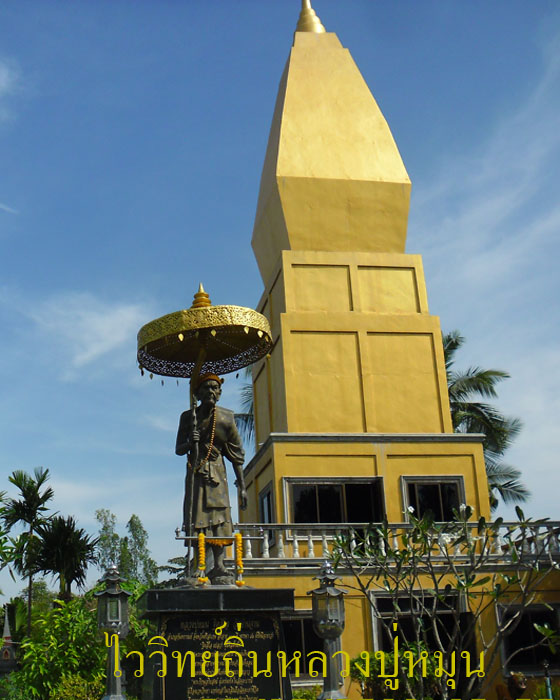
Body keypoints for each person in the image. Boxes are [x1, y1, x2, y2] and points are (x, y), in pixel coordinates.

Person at [176, 372, 247, 584]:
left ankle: (219, 565)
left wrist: (242, 486)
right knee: (198, 514)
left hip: (217, 473)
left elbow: (236, 455)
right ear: (196, 393)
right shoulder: (188, 417)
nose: (211, 392)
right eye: (206, 388)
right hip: (196, 471)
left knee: (219, 516)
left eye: (214, 388)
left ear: (220, 393)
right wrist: (191, 442)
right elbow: (178, 449)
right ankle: (200, 564)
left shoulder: (226, 418)